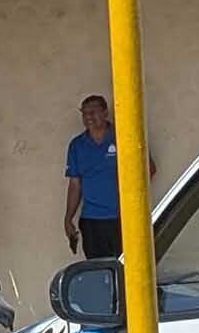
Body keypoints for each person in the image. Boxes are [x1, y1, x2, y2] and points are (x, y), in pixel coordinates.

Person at [63, 94, 156, 259]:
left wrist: (130, 201)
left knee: (126, 267)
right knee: (97, 269)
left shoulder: (125, 137)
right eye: (85, 113)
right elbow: (75, 185)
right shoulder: (77, 145)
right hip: (91, 220)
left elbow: (149, 170)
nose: (89, 117)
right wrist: (68, 218)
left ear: (106, 113)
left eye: (93, 112)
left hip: (123, 218)